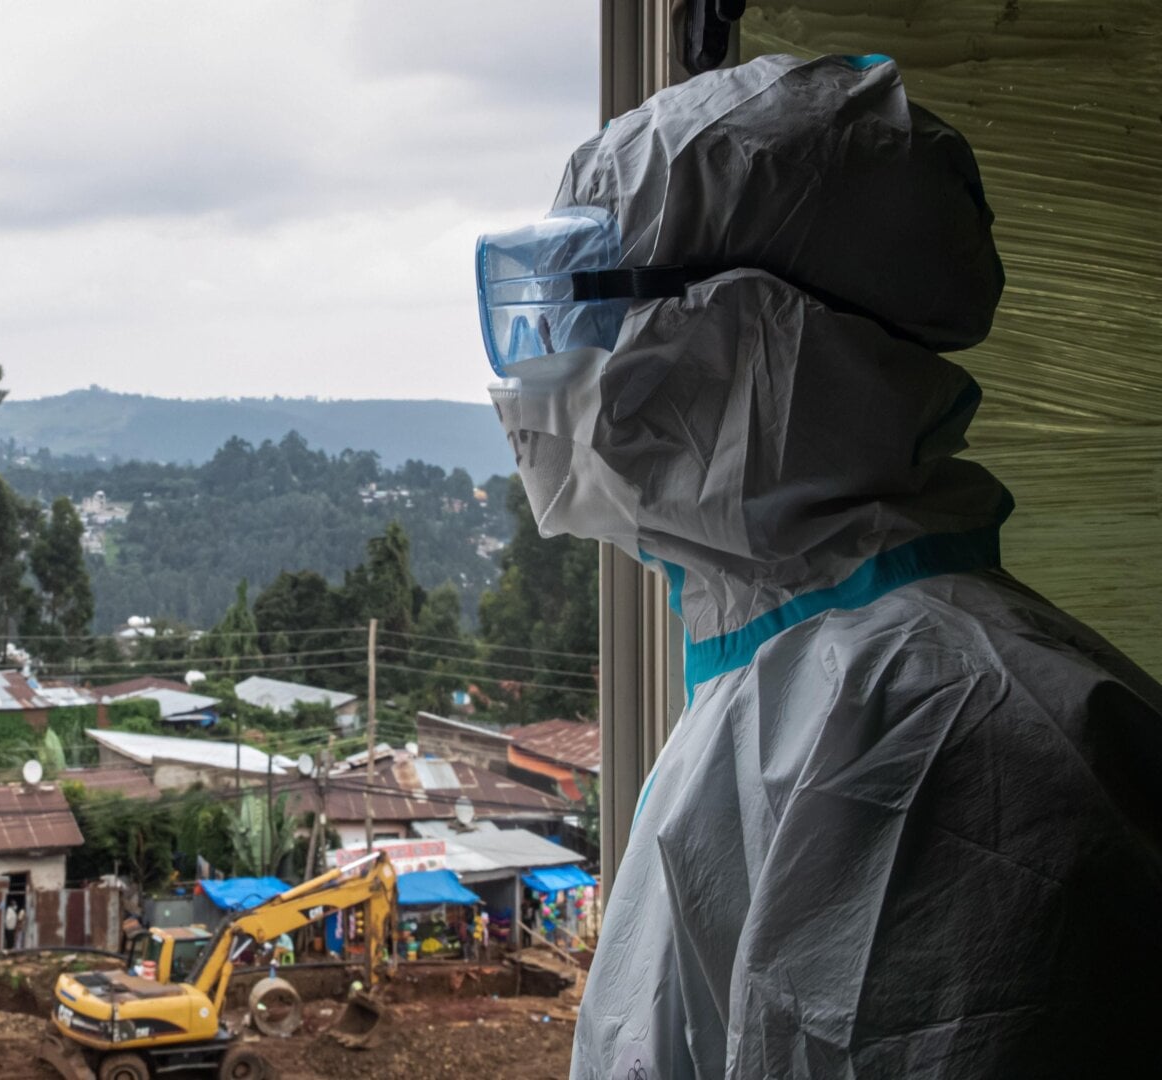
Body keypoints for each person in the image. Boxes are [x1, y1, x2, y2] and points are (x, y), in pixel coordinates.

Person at [476, 53, 1162, 1078]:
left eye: (580, 304)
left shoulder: (946, 732)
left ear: (753, 328)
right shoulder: (796, 685)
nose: (533, 370)